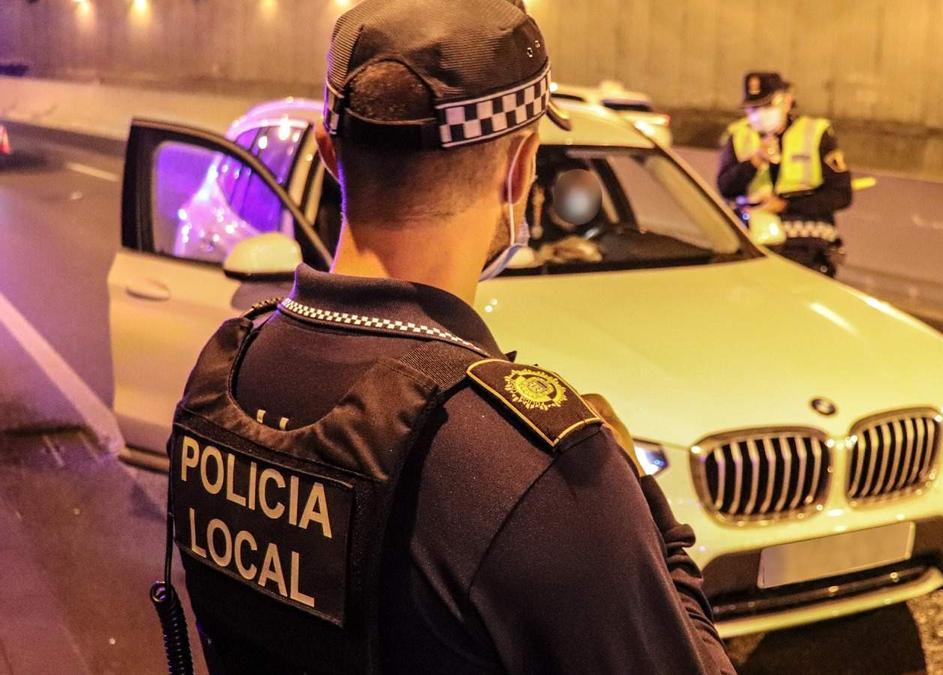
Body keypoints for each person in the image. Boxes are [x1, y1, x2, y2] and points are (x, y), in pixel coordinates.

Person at [159, 1, 735, 673]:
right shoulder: (536, 473)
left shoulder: (228, 372)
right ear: (521, 170)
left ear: (327, 152)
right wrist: (645, 510)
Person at [717, 71, 853, 276]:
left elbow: (841, 195)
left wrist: (786, 205)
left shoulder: (815, 134)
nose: (759, 114)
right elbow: (726, 188)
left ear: (787, 101)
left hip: (806, 245)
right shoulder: (739, 135)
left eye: (767, 106)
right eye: (753, 108)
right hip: (755, 240)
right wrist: (754, 162)